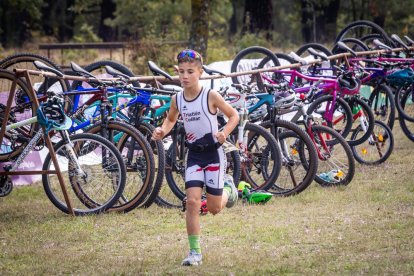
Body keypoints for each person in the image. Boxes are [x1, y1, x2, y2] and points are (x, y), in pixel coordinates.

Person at [152, 49, 239, 266]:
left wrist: (224, 133)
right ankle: (195, 253)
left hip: (214, 154)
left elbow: (234, 116)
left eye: (190, 71)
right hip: (194, 156)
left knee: (214, 208)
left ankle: (230, 190)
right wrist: (163, 130)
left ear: (200, 72)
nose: (185, 76)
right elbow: (171, 120)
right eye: (181, 72)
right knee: (191, 202)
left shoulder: (211, 96)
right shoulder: (177, 99)